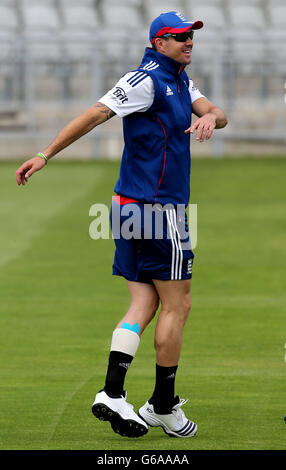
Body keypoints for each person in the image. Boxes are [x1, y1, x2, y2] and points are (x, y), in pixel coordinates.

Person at [16, 11, 227, 439]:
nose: (189, 41)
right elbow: (96, 113)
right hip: (157, 210)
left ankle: (113, 393)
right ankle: (163, 406)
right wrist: (45, 154)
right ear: (158, 42)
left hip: (129, 206)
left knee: (143, 305)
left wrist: (210, 117)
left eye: (192, 35)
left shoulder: (181, 78)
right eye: (180, 36)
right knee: (177, 305)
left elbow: (216, 114)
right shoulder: (147, 79)